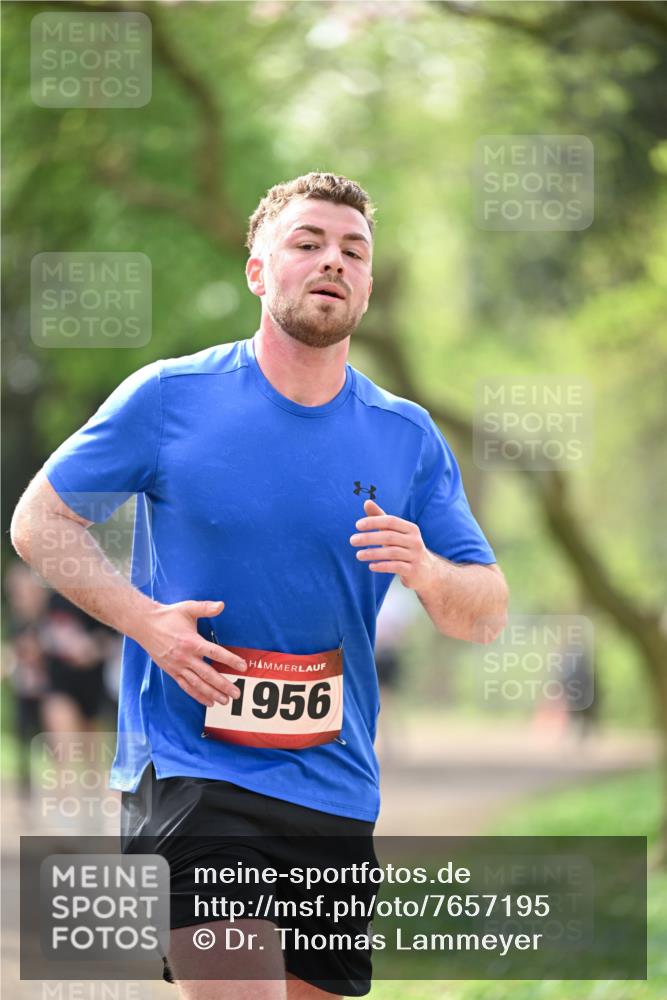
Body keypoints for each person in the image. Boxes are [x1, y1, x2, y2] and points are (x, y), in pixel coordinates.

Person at [11, 172, 508, 1000]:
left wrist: (426, 569)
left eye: (353, 251)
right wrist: (147, 623)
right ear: (257, 270)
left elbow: (484, 615)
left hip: (334, 783)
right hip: (192, 770)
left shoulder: (406, 437)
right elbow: (39, 521)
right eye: (307, 243)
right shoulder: (170, 398)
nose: (333, 261)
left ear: (367, 286)